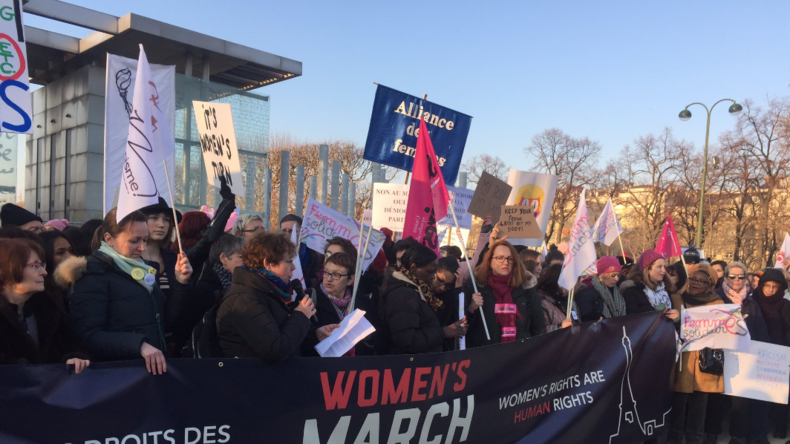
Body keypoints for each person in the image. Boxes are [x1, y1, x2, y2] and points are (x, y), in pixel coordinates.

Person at [67, 208, 193, 374]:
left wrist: (180, 283)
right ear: (109, 239)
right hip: (117, 376)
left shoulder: (142, 270)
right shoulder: (92, 275)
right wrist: (138, 344)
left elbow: (165, 320)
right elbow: (88, 335)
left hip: (150, 372)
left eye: (145, 240)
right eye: (134, 241)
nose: (142, 248)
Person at [215, 232, 338, 362]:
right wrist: (300, 315)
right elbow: (276, 349)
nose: (293, 267)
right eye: (288, 262)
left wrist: (315, 335)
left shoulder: (266, 291)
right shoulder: (244, 299)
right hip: (252, 379)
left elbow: (285, 337)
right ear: (268, 264)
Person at [704, 261, 770, 444]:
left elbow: (760, 331)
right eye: (732, 276)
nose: (736, 280)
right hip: (718, 355)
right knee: (715, 397)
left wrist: (762, 352)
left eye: (741, 276)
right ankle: (711, 432)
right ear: (725, 277)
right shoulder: (715, 298)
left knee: (740, 400)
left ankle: (738, 435)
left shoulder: (750, 302)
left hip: (742, 357)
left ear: (746, 278)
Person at [0, 238, 89, 372]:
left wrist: (74, 358)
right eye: (35, 266)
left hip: (51, 390)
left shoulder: (48, 305)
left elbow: (70, 344)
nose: (44, 272)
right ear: (7, 269)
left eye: (42, 265)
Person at [669, 264, 724, 444]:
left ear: (710, 284)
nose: (695, 283)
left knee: (699, 408)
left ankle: (694, 440)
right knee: (678, 406)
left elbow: (722, 335)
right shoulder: (677, 298)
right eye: (692, 279)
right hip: (682, 361)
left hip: (704, 363)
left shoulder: (718, 304)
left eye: (702, 281)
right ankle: (674, 439)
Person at [380, 243, 466, 354]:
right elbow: (406, 341)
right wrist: (443, 332)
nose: (432, 276)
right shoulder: (403, 295)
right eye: (429, 271)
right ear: (413, 267)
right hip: (409, 365)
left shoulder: (419, 289)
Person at [467, 240, 545, 345]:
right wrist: (471, 309)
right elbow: (463, 328)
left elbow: (539, 329)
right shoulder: (477, 288)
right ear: (490, 261)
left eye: (510, 258)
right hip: (485, 355)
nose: (506, 262)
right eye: (500, 258)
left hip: (519, 354)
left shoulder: (527, 290)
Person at [181, 233, 245, 346]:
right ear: (223, 258)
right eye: (241, 257)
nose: (247, 262)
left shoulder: (238, 283)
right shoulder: (206, 288)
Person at [750, 269, 790, 440]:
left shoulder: (786, 306)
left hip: (778, 356)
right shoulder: (752, 302)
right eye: (767, 286)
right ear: (761, 285)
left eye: (775, 287)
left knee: (778, 395)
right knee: (756, 396)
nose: (770, 290)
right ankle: (756, 432)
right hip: (754, 354)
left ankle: (778, 426)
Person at [139, 198, 182, 300]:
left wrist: (182, 283)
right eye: (154, 218)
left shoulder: (174, 258)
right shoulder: (130, 258)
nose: (161, 224)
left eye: (166, 219)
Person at [620, 249, 679, 321]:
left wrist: (675, 318)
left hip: (667, 331)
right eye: (659, 267)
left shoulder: (665, 288)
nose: (664, 270)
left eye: (664, 267)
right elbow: (631, 321)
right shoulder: (632, 292)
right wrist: (655, 313)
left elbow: (673, 324)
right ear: (647, 269)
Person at [575, 256, 627, 322]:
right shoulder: (586, 293)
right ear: (602, 276)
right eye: (613, 275)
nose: (617, 279)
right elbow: (585, 319)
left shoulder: (617, 291)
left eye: (618, 275)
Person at [536, 263, 576, 332]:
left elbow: (577, 320)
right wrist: (560, 327)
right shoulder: (543, 302)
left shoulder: (570, 300)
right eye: (566, 281)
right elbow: (541, 331)